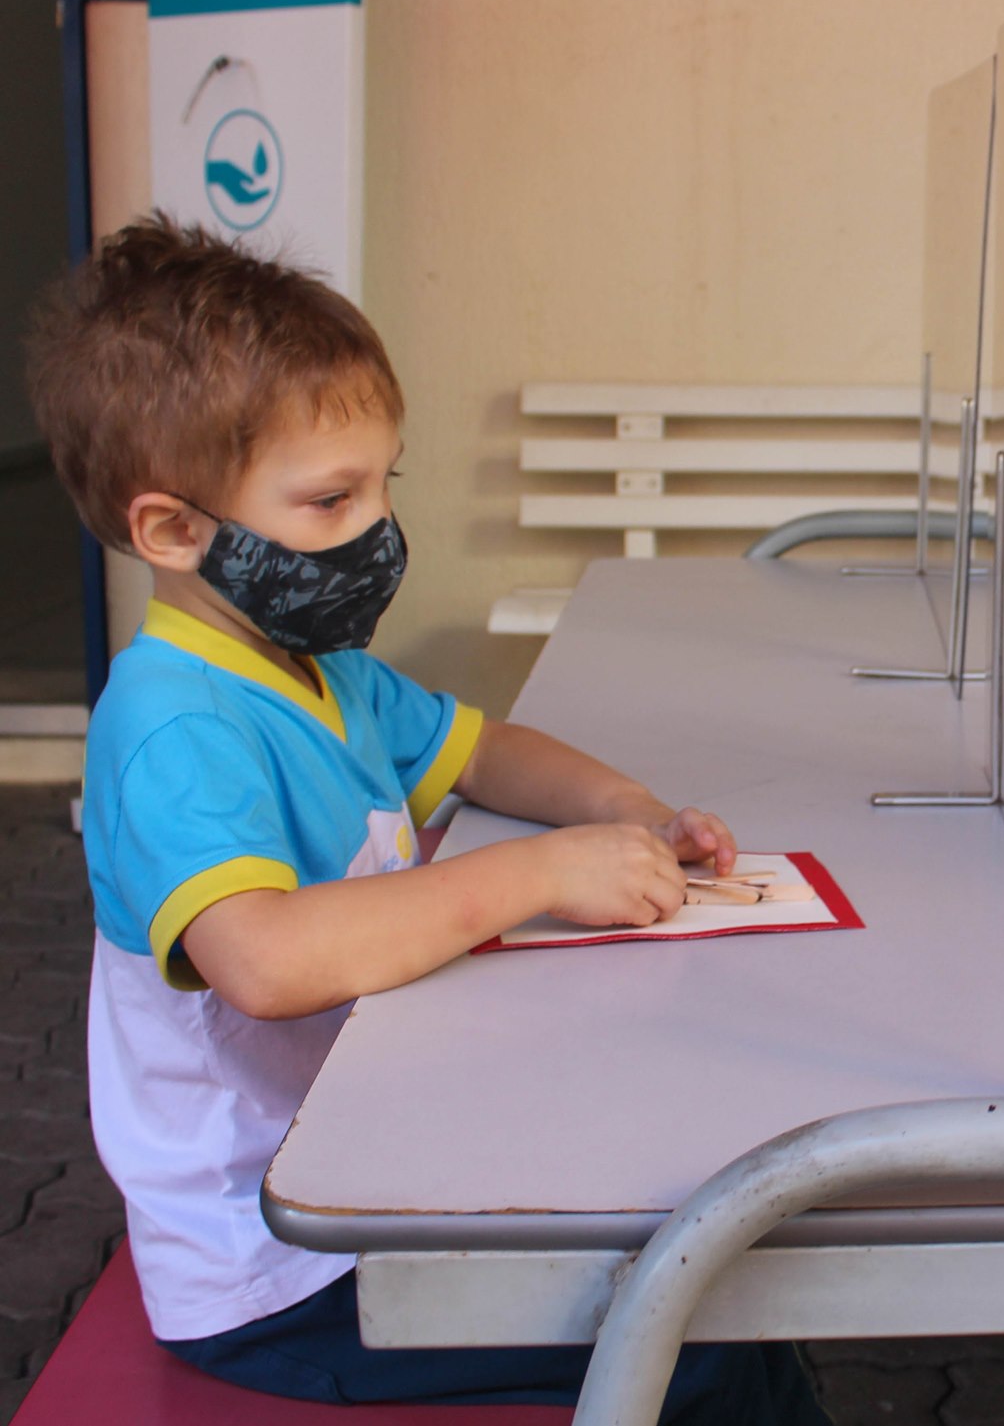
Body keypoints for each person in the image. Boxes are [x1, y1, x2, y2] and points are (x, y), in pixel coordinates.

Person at [27, 217, 826, 1424]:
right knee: (693, 1335)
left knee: (713, 1282)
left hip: (384, 1154)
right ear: (172, 530)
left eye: (385, 481)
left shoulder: (314, 664)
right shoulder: (174, 729)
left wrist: (628, 810)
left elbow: (484, 747)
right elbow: (267, 956)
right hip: (282, 1265)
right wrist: (537, 876)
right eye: (330, 498)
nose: (379, 528)